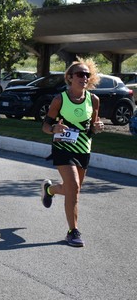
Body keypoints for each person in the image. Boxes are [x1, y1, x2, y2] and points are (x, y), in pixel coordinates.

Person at [40, 58, 105, 247]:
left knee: (72, 190)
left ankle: (49, 189)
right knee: (74, 186)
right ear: (69, 77)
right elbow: (45, 125)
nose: (84, 77)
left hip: (84, 149)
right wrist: (54, 130)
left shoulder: (93, 100)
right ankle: (72, 231)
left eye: (87, 74)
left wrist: (97, 127)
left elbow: (92, 127)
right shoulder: (60, 99)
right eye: (80, 74)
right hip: (63, 148)